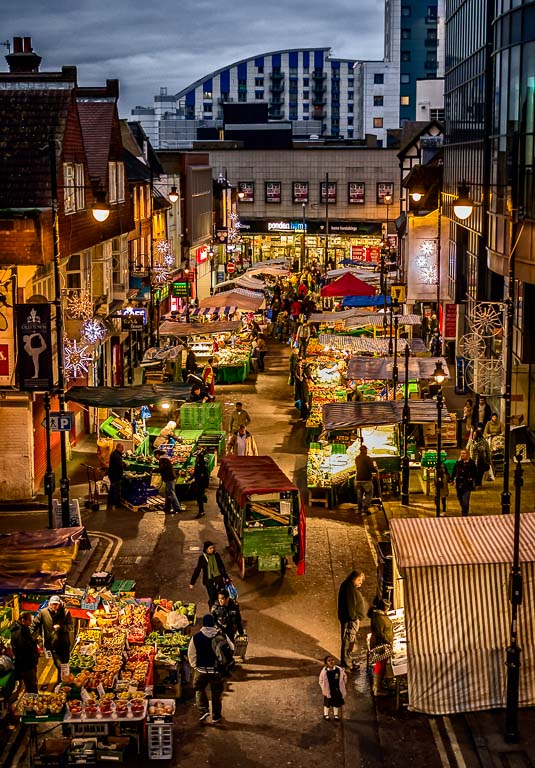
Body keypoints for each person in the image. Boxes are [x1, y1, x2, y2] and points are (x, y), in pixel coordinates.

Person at [187, 614, 233, 724]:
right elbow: (231, 647)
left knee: (199, 688)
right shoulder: (221, 635)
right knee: (216, 694)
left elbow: (191, 654)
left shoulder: (196, 637)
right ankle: (216, 716)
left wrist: (195, 666)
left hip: (201, 670)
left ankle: (203, 710)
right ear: (213, 623)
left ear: (203, 624)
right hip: (217, 671)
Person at [31, 595, 72, 681]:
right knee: (59, 665)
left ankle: (63, 682)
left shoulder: (66, 612)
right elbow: (34, 624)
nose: (54, 606)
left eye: (56, 604)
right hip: (52, 644)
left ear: (59, 604)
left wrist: (61, 627)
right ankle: (62, 681)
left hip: (64, 644)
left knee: (65, 665)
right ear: (49, 603)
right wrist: (31, 635)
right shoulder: (43, 613)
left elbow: (70, 627)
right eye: (53, 604)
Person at [337, 570, 367, 672]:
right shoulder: (349, 588)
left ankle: (347, 661)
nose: (360, 582)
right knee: (348, 640)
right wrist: (354, 617)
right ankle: (346, 664)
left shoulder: (349, 586)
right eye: (359, 580)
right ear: (353, 578)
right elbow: (350, 606)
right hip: (349, 620)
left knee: (350, 640)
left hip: (350, 619)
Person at [367, 598, 394, 697]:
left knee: (381, 665)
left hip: (382, 643)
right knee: (380, 666)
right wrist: (388, 641)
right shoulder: (378, 618)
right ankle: (377, 689)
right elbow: (380, 633)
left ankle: (378, 686)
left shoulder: (378, 615)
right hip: (381, 645)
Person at [189, 541, 229, 607]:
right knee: (212, 596)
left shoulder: (216, 555)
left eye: (213, 548)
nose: (212, 549)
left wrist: (226, 577)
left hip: (218, 579)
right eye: (210, 548)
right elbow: (197, 570)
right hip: (209, 581)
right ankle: (213, 609)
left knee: (221, 596)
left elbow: (221, 567)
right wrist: (192, 582)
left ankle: (221, 609)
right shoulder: (202, 558)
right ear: (206, 549)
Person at [10, 611, 39, 693]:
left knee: (31, 684)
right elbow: (24, 649)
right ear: (23, 620)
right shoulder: (20, 633)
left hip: (26, 663)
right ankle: (33, 701)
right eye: (29, 620)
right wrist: (34, 645)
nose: (31, 622)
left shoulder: (22, 629)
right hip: (26, 664)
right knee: (31, 686)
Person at [450, 449, 478, 516]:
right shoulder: (458, 463)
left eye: (464, 453)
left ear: (467, 454)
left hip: (467, 484)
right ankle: (464, 509)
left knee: (465, 501)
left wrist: (473, 480)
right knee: (460, 498)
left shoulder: (471, 463)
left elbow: (475, 473)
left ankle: (464, 514)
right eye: (461, 453)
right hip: (459, 484)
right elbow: (454, 472)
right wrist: (451, 480)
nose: (462, 455)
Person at [319, 655, 347, 721]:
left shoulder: (338, 670)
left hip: (336, 690)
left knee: (336, 702)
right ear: (326, 663)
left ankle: (336, 715)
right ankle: (326, 714)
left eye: (332, 660)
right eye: (329, 661)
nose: (331, 661)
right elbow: (320, 681)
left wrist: (343, 685)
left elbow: (344, 677)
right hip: (328, 690)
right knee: (327, 703)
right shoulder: (324, 672)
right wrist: (324, 688)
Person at [354, 445, 378, 515]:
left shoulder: (357, 458)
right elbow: (371, 467)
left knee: (359, 496)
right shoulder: (367, 458)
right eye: (366, 450)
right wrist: (376, 470)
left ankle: (359, 509)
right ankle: (364, 509)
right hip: (366, 479)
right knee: (369, 494)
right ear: (365, 450)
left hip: (358, 479)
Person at [154, 450, 180, 514]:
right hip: (169, 478)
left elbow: (162, 468)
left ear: (157, 454)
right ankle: (167, 507)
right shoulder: (164, 459)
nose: (155, 457)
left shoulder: (163, 459)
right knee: (168, 493)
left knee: (171, 493)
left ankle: (176, 508)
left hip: (169, 478)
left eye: (155, 455)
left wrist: (153, 470)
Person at [107, 442, 125, 508]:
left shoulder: (115, 454)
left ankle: (110, 502)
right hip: (116, 475)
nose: (123, 449)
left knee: (112, 488)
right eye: (122, 448)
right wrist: (125, 465)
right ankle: (117, 503)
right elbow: (119, 466)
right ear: (118, 448)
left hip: (113, 474)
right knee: (116, 489)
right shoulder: (116, 456)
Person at [193, 450, 210, 519]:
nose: (196, 459)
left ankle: (201, 511)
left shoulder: (203, 467)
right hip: (198, 483)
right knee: (199, 498)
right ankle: (201, 511)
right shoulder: (197, 465)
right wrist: (189, 479)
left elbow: (206, 477)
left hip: (201, 484)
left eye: (197, 458)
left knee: (199, 498)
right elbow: (195, 474)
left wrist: (206, 486)